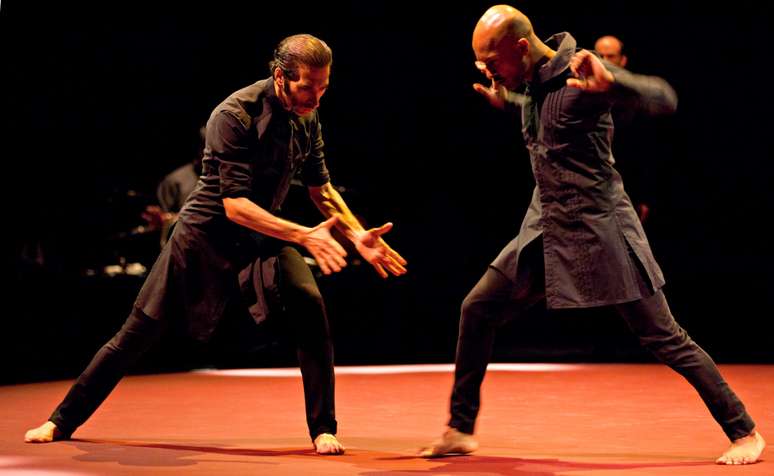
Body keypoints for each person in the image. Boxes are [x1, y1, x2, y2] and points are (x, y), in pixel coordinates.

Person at [25, 33, 407, 455]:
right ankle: (62, 420)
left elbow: (322, 189)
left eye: (323, 88)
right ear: (280, 77)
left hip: (265, 236)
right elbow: (236, 206)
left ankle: (323, 427)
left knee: (308, 304)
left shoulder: (307, 116)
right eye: (307, 88)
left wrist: (356, 235)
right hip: (202, 237)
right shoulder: (233, 114)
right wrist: (303, 235)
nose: (316, 98)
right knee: (137, 332)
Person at [420, 5, 764, 465]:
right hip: (544, 229)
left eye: (491, 60)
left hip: (600, 229)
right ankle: (460, 429)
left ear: (520, 47)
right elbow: (546, 112)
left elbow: (663, 96)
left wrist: (614, 83)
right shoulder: (534, 85)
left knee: (663, 335)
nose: (486, 70)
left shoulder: (583, 76)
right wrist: (510, 102)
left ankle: (745, 432)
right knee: (477, 309)